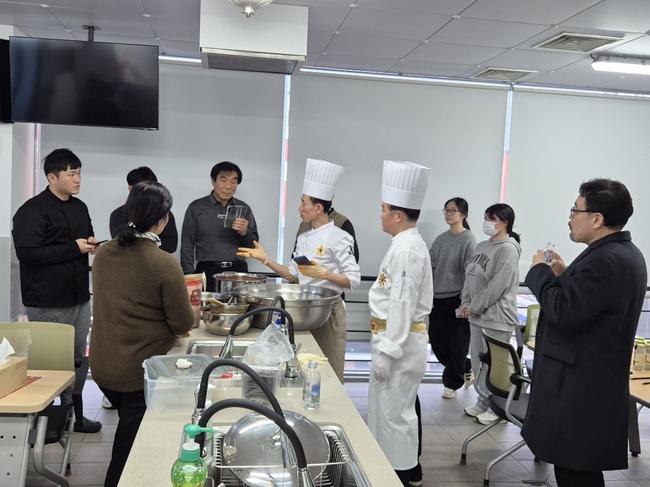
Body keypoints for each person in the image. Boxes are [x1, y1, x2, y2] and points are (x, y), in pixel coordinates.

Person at [522, 179, 647, 487]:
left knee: (576, 473)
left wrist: (539, 272)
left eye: (575, 210)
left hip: (581, 388)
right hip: (589, 381)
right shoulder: (621, 253)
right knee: (575, 469)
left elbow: (564, 313)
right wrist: (564, 276)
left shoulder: (605, 260)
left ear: (596, 219)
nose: (570, 217)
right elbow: (588, 305)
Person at [90, 181, 194, 487]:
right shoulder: (162, 262)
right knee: (129, 449)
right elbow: (182, 323)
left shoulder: (103, 253)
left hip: (103, 366)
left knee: (130, 428)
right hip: (137, 372)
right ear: (162, 220)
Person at [237, 158, 361, 382]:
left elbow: (353, 280)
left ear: (318, 208)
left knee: (329, 374)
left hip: (328, 313)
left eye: (303, 203)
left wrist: (325, 274)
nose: (299, 208)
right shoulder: (304, 238)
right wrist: (266, 259)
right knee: (302, 370)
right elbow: (291, 274)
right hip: (304, 312)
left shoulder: (340, 237)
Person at [12, 148, 102, 434]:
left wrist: (90, 244)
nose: (78, 179)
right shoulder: (31, 211)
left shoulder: (80, 207)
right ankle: (45, 423)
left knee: (78, 359)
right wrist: (73, 247)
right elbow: (28, 254)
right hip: (47, 300)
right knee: (50, 363)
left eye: (79, 173)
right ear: (52, 178)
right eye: (71, 174)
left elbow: (83, 239)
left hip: (79, 297)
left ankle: (75, 416)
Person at [367, 160, 432, 487]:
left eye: (383, 208)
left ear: (397, 215)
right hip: (394, 341)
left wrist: (388, 350)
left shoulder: (407, 250)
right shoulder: (403, 245)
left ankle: (402, 477)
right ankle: (387, 472)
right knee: (386, 413)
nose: (379, 214)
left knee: (396, 417)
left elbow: (401, 304)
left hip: (400, 346)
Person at [460, 203, 521, 425]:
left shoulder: (508, 249)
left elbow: (497, 286)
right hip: (477, 316)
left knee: (496, 366)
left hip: (497, 318)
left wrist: (475, 306)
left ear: (504, 223)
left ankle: (499, 407)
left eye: (491, 219)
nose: (487, 222)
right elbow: (470, 276)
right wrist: (465, 303)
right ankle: (483, 400)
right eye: (486, 217)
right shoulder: (482, 246)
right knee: (479, 362)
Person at [181, 161, 259, 291]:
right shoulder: (196, 207)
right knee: (206, 304)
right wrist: (189, 276)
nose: (228, 186)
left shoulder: (244, 208)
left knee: (240, 304)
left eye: (233, 181)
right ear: (213, 181)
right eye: (223, 180)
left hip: (238, 271)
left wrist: (244, 232)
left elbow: (254, 247)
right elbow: (187, 244)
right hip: (207, 270)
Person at [428, 197, 476, 399]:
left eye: (452, 210)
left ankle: (452, 384)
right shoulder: (440, 239)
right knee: (437, 343)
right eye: (446, 210)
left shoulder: (468, 240)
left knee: (458, 343)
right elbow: (430, 266)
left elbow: (470, 273)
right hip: (437, 298)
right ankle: (466, 366)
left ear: (463, 214)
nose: (448, 214)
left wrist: (466, 301)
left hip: (458, 299)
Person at [109, 166, 178, 253]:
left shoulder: (163, 213)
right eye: (141, 189)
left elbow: (171, 245)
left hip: (157, 260)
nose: (146, 194)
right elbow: (120, 244)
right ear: (130, 188)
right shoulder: (118, 214)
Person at [295, 207, 360, 263]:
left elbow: (352, 260)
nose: (300, 208)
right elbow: (295, 256)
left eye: (304, 203)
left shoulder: (343, 223)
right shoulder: (304, 225)